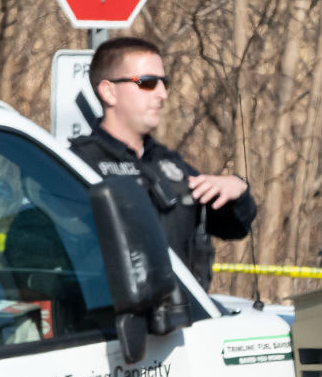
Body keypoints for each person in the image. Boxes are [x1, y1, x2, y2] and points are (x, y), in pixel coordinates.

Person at [69, 37, 255, 290]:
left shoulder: (169, 164)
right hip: (113, 324)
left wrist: (238, 189)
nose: (163, 94)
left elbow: (233, 227)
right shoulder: (79, 164)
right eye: (148, 83)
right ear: (108, 91)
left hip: (183, 320)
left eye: (164, 83)